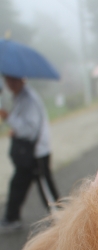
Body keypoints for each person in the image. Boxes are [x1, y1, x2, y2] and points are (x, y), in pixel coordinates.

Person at [0, 75, 60, 233]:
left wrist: (9, 118)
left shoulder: (29, 99)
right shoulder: (20, 97)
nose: (10, 83)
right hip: (29, 153)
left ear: (22, 79)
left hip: (37, 153)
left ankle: (60, 218)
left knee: (45, 186)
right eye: (8, 80)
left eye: (14, 80)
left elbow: (29, 129)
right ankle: (11, 218)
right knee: (18, 184)